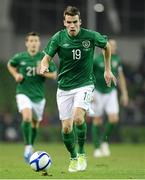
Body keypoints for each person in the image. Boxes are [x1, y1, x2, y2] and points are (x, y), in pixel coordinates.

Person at [40, 6, 116, 172]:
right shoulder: (58, 38)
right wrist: (43, 66)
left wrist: (107, 69)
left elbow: (107, 46)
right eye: (69, 22)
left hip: (85, 84)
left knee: (78, 118)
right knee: (66, 128)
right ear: (64, 22)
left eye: (75, 22)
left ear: (80, 22)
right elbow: (45, 59)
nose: (72, 25)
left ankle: (82, 153)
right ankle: (73, 157)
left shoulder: (90, 36)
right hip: (64, 88)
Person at [7, 32, 57, 162]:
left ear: (39, 43)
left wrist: (43, 72)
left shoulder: (44, 58)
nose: (33, 43)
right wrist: (16, 75)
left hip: (39, 96)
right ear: (26, 43)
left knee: (35, 124)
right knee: (27, 117)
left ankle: (31, 144)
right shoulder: (20, 57)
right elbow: (10, 65)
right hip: (23, 93)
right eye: (31, 40)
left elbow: (54, 74)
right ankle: (28, 147)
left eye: (36, 40)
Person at [90, 39, 129, 158]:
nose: (113, 47)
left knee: (113, 119)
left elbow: (120, 77)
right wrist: (90, 92)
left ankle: (104, 141)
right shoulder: (96, 59)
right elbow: (89, 75)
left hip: (111, 91)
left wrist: (125, 93)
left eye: (114, 46)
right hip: (97, 91)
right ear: (104, 47)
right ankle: (96, 148)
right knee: (97, 120)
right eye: (110, 45)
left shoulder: (117, 60)